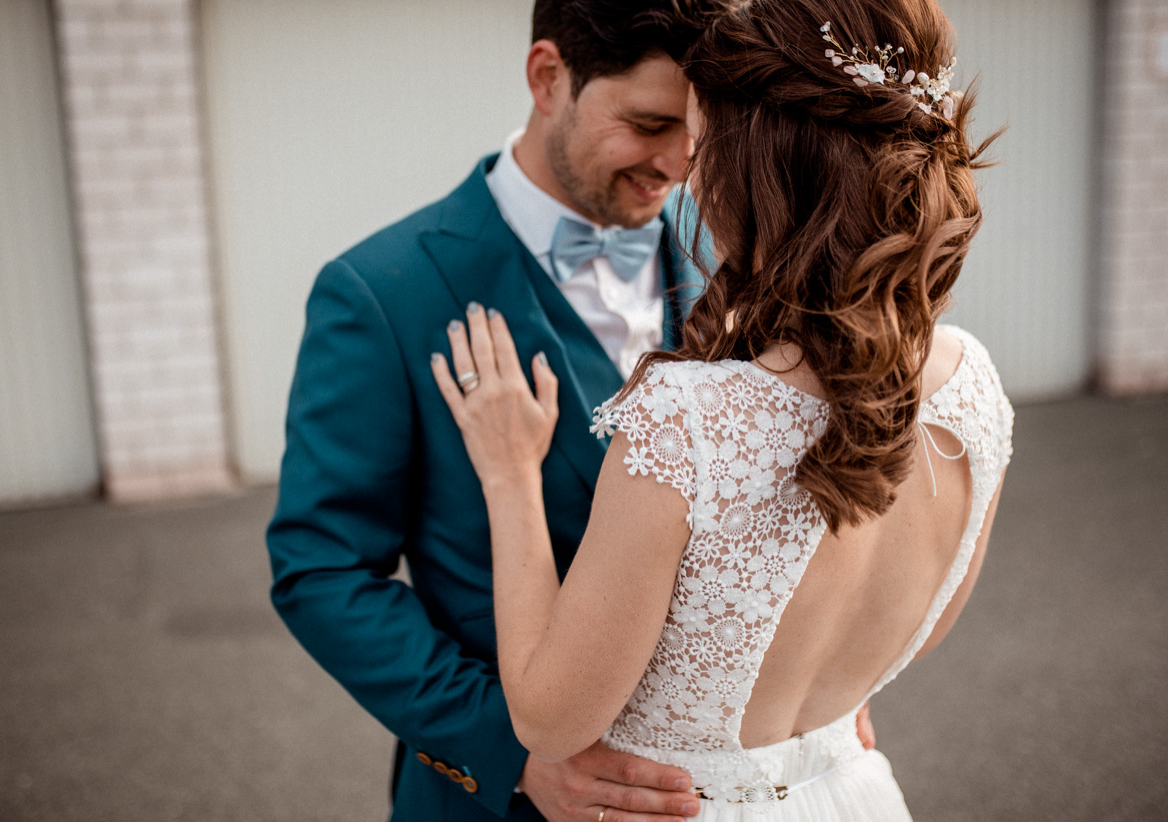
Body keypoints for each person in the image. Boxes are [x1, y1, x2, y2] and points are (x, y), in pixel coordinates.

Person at [430, 0, 1014, 819]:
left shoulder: (689, 420)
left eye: (702, 147)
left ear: (752, 170)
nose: (684, 174)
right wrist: (820, 708)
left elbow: (548, 719)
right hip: (849, 795)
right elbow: (916, 628)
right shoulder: (976, 388)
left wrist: (509, 474)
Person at [267, 2, 726, 820]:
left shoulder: (731, 251)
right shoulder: (381, 293)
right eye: (649, 123)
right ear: (548, 77)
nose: (677, 165)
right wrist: (511, 750)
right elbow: (322, 569)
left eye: (695, 132)